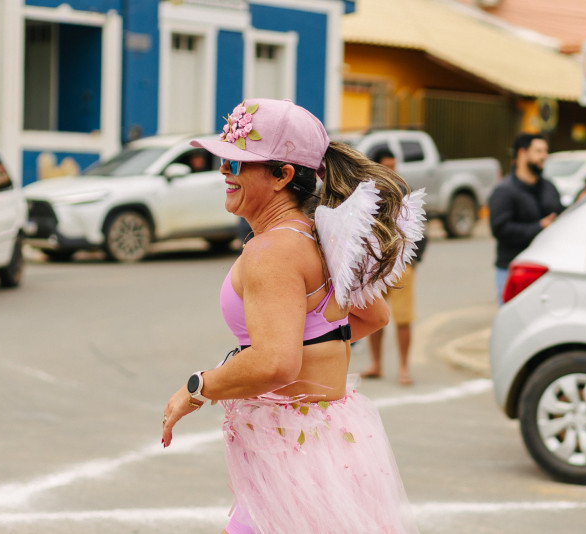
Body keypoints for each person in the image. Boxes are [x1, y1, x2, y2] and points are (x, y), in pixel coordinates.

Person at [161, 98, 421, 534]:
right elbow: (372, 316)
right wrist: (307, 344)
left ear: (282, 175)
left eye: (237, 162)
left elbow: (276, 363)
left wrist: (198, 388)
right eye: (223, 159)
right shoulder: (319, 235)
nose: (223, 170)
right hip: (329, 446)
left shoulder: (272, 250)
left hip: (290, 455)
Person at [361, 148, 427, 385]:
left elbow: (420, 228)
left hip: (401, 266)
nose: (392, 170)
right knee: (374, 316)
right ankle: (376, 364)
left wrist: (413, 260)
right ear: (375, 167)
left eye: (393, 166)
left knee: (403, 318)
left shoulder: (404, 191)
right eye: (387, 166)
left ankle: (403, 367)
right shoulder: (364, 194)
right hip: (373, 267)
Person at [488, 133, 562, 304]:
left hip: (546, 269)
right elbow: (501, 229)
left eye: (546, 151)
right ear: (522, 153)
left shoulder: (549, 187)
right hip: (514, 271)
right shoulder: (504, 190)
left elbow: (559, 215)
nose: (544, 156)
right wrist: (539, 227)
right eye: (538, 151)